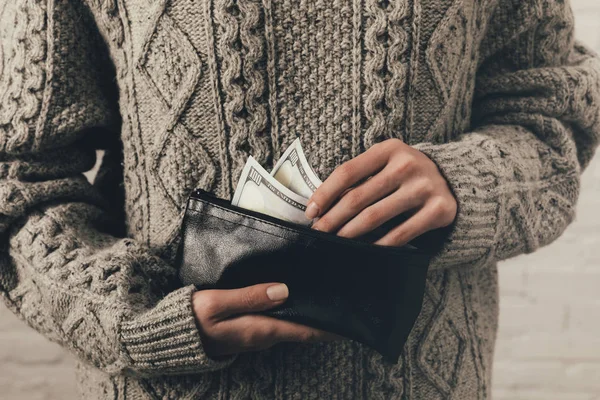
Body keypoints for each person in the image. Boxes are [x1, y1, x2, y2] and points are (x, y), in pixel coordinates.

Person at [0, 0, 598, 398]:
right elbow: (21, 179)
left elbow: (553, 117)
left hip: (425, 382)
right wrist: (134, 320)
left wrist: (466, 182)